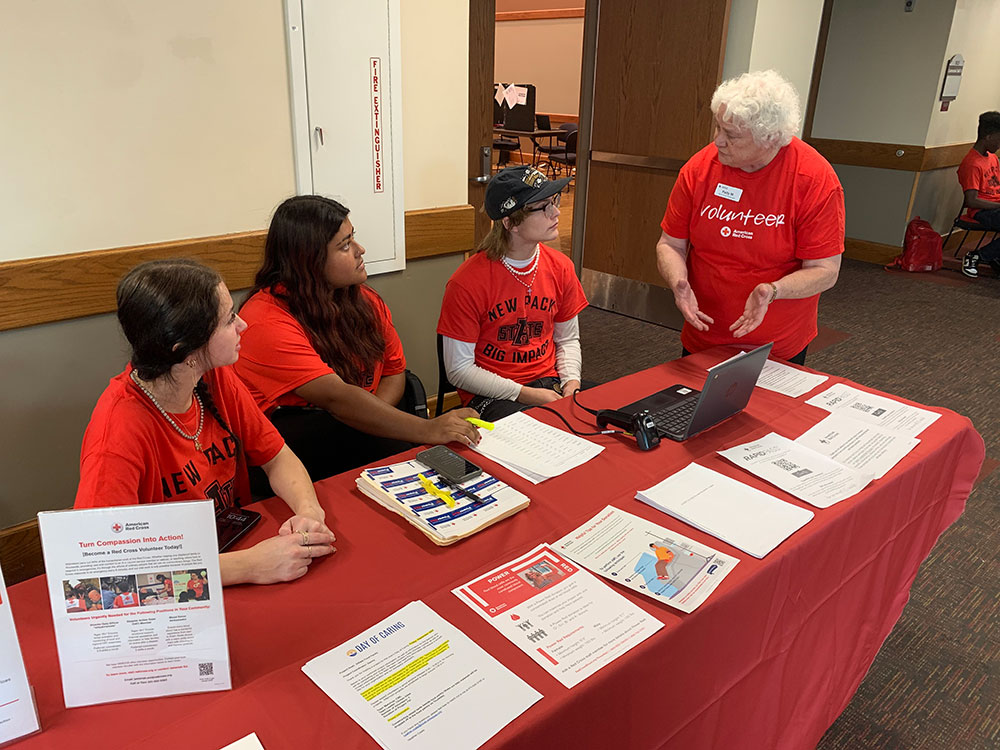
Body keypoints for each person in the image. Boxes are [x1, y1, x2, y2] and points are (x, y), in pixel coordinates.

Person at [74, 259, 336, 586]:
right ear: (184, 348)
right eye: (228, 320)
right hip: (181, 584)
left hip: (228, 543)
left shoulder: (213, 376)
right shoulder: (117, 432)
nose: (243, 325)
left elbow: (277, 457)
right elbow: (101, 575)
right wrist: (249, 566)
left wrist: (308, 511)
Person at [234, 195, 481, 482]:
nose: (360, 250)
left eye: (354, 238)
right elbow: (336, 398)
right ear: (308, 260)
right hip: (297, 455)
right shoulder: (263, 321)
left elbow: (394, 371)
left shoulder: (364, 301)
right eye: (344, 245)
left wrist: (377, 424)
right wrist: (425, 429)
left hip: (358, 433)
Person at [655, 70, 844, 365]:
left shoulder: (813, 179)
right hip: (704, 333)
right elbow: (670, 244)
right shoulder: (699, 169)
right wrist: (678, 280)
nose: (717, 141)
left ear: (770, 139)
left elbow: (825, 270)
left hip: (776, 344)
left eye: (731, 135)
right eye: (717, 127)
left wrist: (773, 290)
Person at [437, 166, 589, 421]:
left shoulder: (561, 267)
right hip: (492, 394)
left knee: (604, 415)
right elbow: (459, 371)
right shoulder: (466, 282)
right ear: (510, 223)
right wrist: (526, 394)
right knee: (543, 436)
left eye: (554, 201)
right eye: (543, 207)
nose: (556, 212)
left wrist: (571, 383)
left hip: (549, 381)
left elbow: (567, 340)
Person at [958, 111, 1000, 278]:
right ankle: (976, 256)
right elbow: (972, 201)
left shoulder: (992, 158)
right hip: (983, 211)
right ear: (988, 137)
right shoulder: (972, 164)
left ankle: (994, 257)